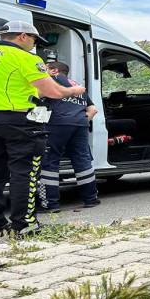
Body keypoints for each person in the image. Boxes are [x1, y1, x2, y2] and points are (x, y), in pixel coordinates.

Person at [0, 21, 85, 236]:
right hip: (19, 120)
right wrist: (74, 90)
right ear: (23, 36)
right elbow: (52, 91)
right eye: (34, 39)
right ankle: (24, 225)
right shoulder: (26, 58)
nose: (34, 45)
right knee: (24, 172)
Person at [39, 62, 100, 213]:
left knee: (49, 161)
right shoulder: (78, 86)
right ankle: (91, 199)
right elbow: (93, 109)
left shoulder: (51, 80)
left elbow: (37, 95)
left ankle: (50, 204)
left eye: (45, 68)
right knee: (82, 160)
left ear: (54, 70)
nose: (42, 71)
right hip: (80, 124)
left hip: (57, 123)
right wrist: (80, 119)